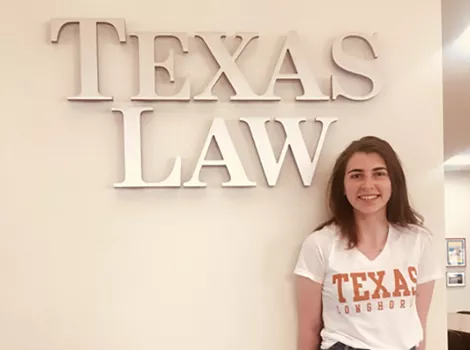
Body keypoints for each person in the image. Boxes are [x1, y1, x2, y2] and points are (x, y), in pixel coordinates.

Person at [293, 136, 443, 350]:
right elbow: (309, 328)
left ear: (394, 183)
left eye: (379, 174)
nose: (368, 185)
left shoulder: (418, 242)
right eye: (356, 176)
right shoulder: (320, 244)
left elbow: (419, 325)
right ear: (343, 186)